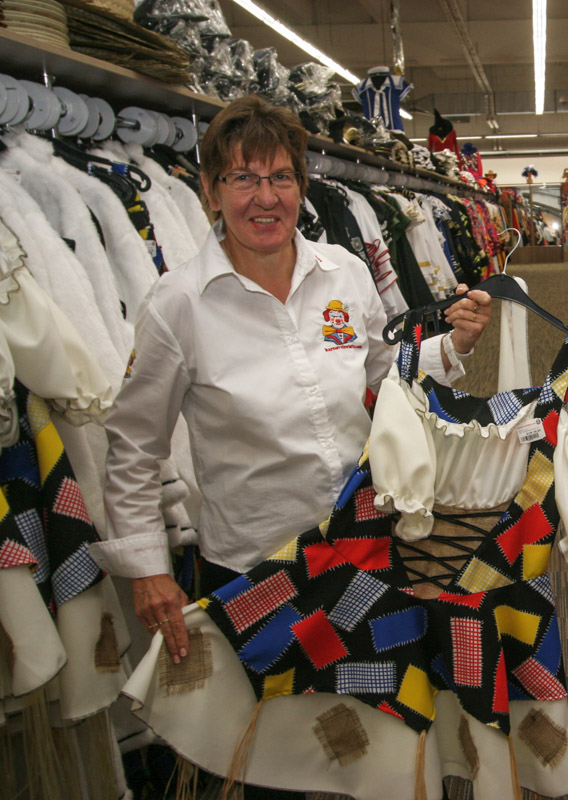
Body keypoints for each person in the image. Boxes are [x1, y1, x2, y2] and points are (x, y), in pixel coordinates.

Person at [95, 95, 491, 667]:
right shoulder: (177, 304)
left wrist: (453, 346)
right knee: (276, 733)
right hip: (257, 565)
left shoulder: (344, 273)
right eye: (243, 178)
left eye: (281, 176)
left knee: (375, 718)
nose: (265, 197)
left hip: (368, 540)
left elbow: (383, 373)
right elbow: (132, 448)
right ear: (210, 191)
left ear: (301, 186)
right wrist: (149, 568)